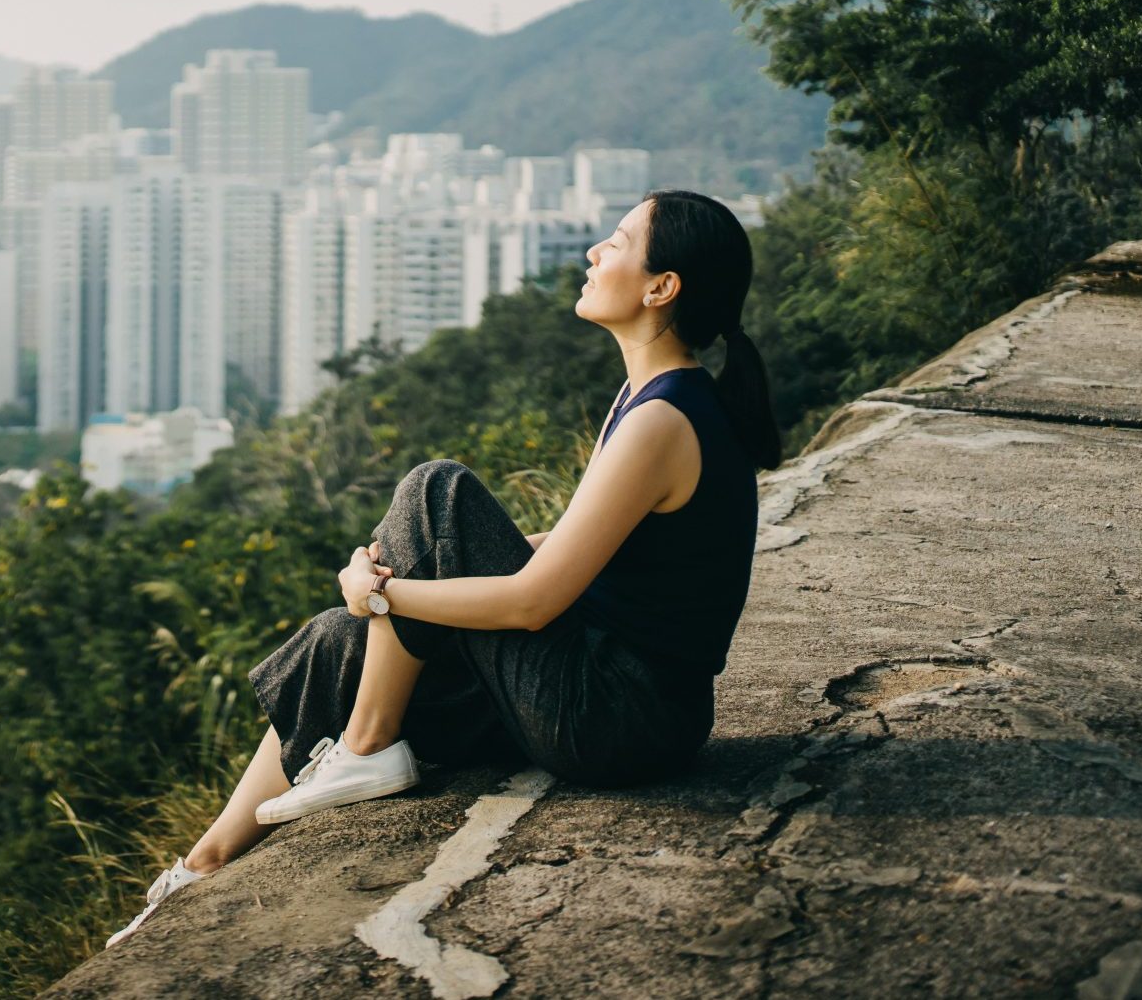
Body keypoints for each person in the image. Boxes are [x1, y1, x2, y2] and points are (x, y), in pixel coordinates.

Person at [106, 189, 782, 948]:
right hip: (612, 695)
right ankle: (201, 864)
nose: (595, 252)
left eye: (618, 242)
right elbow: (567, 543)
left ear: (662, 287)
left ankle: (366, 746)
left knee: (435, 489)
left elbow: (532, 600)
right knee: (340, 636)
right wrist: (387, 588)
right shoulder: (648, 395)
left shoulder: (663, 418)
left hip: (618, 714)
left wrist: (387, 593)